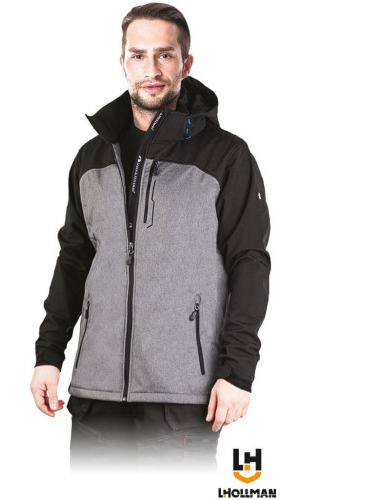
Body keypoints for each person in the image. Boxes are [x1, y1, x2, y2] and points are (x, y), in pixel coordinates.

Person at [30, 2, 271, 474]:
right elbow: (74, 260)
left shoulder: (226, 157)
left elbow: (249, 262)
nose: (151, 69)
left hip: (182, 401)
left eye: (165, 54)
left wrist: (238, 372)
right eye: (138, 55)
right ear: (123, 63)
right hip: (95, 397)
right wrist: (49, 354)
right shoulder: (91, 158)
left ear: (186, 63)